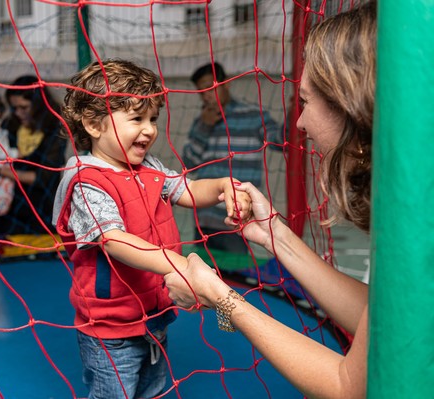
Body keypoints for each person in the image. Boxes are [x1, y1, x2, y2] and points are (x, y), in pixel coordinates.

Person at [165, 3, 376, 397]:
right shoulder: (200, 124)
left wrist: (220, 296)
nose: (301, 122)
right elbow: (380, 314)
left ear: (352, 107)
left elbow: (349, 386)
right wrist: (274, 234)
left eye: (306, 102)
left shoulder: (414, 223)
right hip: (214, 218)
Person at [54, 59, 250, 399]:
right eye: (137, 119)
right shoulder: (88, 181)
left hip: (154, 313)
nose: (149, 130)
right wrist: (182, 266)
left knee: (153, 389)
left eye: (153, 119)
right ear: (94, 124)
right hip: (111, 327)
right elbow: (113, 241)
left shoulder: (150, 168)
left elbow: (189, 190)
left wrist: (223, 186)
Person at [180, 62, 284, 253]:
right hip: (205, 216)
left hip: (237, 215)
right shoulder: (201, 121)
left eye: (210, 88)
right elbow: (188, 163)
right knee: (206, 268)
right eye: (201, 92)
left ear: (226, 83)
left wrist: (295, 112)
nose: (206, 95)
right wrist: (204, 127)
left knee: (236, 270)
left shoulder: (253, 115)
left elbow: (280, 142)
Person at [0, 75, 69, 240]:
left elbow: (42, 178)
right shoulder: (10, 126)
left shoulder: (55, 130)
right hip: (9, 210)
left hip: (40, 211)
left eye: (24, 107)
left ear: (39, 105)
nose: (18, 113)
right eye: (14, 108)